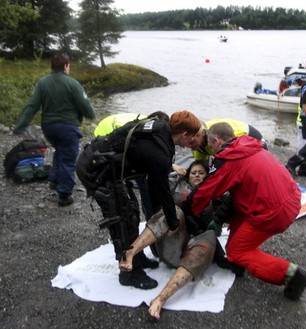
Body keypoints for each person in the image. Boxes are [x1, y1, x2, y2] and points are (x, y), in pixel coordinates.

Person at [182, 122, 306, 301]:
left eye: (212, 146)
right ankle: (241, 259)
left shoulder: (229, 159)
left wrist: (184, 208)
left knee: (237, 252)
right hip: (289, 197)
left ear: (218, 141)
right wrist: (219, 220)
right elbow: (236, 194)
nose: (212, 150)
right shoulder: (250, 145)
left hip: (274, 212)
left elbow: (205, 191)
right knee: (237, 222)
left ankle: (294, 275)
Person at [76, 111, 201, 290]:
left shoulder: (161, 130)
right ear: (184, 134)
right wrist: (173, 222)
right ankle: (128, 274)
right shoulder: (159, 150)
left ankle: (138, 257)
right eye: (192, 137)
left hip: (110, 168)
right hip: (95, 169)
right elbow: (161, 189)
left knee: (132, 212)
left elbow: (153, 184)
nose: (192, 142)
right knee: (121, 219)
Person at [118, 160, 220, 320]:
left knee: (210, 236)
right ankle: (131, 251)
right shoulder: (178, 186)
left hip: (194, 250)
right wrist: (174, 173)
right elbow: (160, 189)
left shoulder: (213, 192)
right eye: (194, 172)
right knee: (173, 212)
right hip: (174, 244)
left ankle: (160, 299)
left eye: (201, 173)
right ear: (188, 175)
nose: (198, 175)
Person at [13, 53, 96, 206]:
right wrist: (91, 115)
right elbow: (85, 106)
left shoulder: (42, 83)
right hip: (68, 128)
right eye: (68, 65)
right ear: (66, 66)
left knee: (60, 151)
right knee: (68, 158)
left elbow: (32, 105)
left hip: (48, 127)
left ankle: (54, 180)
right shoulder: (73, 84)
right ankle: (64, 195)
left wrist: (20, 126)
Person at [191, 118, 266, 162]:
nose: (188, 146)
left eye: (192, 142)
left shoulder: (223, 138)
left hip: (249, 134)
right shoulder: (196, 144)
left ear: (202, 134)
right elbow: (201, 165)